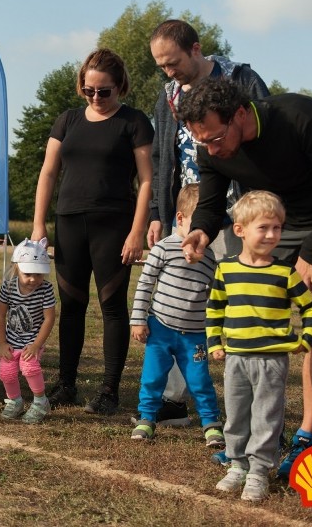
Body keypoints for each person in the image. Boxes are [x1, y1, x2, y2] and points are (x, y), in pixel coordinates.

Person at [177, 77, 312, 477]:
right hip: (275, 223)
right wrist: (200, 230)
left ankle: (308, 438)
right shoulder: (208, 142)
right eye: (203, 142)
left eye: (216, 138)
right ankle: (261, 435)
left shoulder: (301, 116)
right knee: (253, 314)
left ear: (241, 114)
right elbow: (212, 205)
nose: (210, 150)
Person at [147, 19, 271, 427]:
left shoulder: (239, 77)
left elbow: (265, 135)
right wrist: (157, 214)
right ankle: (175, 399)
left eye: (174, 62)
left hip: (240, 210)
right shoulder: (168, 94)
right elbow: (161, 158)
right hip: (187, 213)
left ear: (196, 49)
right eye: (161, 66)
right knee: (182, 302)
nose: (169, 72)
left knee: (243, 300)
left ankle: (254, 404)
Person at [31, 48, 153, 413]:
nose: (96, 98)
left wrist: (137, 231)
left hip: (114, 224)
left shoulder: (134, 122)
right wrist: (39, 223)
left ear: (120, 87)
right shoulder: (67, 120)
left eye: (104, 91)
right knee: (71, 306)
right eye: (89, 91)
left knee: (112, 305)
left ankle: (109, 392)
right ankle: (66, 384)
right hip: (69, 221)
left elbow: (147, 180)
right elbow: (48, 173)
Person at [209, 191, 312, 503]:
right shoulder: (225, 269)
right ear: (239, 229)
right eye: (264, 227)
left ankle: (258, 471)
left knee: (266, 416)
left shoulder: (285, 271)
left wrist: (306, 339)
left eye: (278, 228)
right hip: (237, 359)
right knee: (236, 414)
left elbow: (310, 308)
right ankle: (237, 464)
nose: (272, 234)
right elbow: (214, 309)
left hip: (273, 361)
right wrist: (215, 342)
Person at [129, 183, 223, 446]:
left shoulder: (210, 258)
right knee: (153, 376)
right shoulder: (164, 248)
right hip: (160, 328)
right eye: (198, 224)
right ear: (180, 218)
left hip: (194, 336)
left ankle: (211, 423)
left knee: (200, 380)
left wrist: (215, 333)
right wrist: (138, 319)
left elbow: (213, 300)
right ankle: (147, 418)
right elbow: (145, 284)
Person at [0, 239, 56, 424]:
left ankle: (40, 402)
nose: (33, 279)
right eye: (28, 273)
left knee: (29, 368)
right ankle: (15, 401)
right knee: (6, 372)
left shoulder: (46, 289)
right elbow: (0, 315)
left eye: (38, 274)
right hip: (11, 341)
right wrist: (1, 343)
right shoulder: (8, 286)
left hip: (32, 341)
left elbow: (49, 318)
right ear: (17, 269)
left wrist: (36, 345)